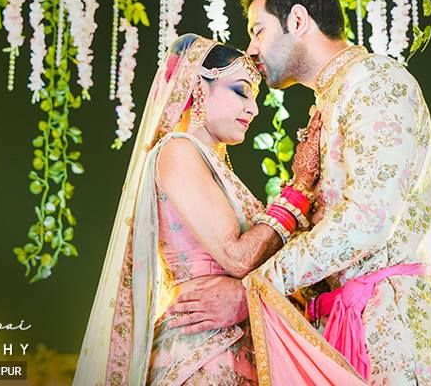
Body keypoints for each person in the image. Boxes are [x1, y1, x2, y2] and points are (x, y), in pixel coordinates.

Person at [169, 0, 431, 385]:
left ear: (298, 21)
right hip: (341, 329)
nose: (251, 49)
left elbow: (368, 221)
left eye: (258, 31)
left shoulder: (376, 82)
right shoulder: (333, 97)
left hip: (392, 334)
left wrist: (254, 291)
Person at [71, 33, 323, 385]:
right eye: (240, 91)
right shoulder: (177, 151)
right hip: (201, 354)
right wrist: (297, 191)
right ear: (198, 87)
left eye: (255, 96)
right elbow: (237, 257)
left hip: (237, 343)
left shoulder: (215, 167)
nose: (253, 108)